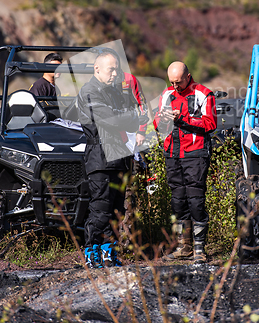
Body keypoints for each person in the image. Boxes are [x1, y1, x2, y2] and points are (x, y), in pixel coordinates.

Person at [77, 51, 140, 268]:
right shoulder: (89, 91)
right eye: (110, 69)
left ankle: (108, 253)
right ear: (97, 69)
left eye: (117, 69)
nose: (115, 73)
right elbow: (112, 120)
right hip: (100, 158)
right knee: (100, 210)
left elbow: (134, 119)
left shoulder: (114, 93)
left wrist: (128, 117)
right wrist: (126, 117)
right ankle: (91, 253)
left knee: (116, 211)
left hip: (119, 157)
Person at [154, 62, 217, 263]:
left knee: (196, 200)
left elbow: (210, 123)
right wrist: (162, 119)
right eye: (171, 82)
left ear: (188, 76)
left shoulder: (204, 94)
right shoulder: (166, 95)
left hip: (195, 153)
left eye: (178, 82)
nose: (175, 86)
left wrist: (182, 118)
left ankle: (200, 249)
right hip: (172, 152)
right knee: (178, 201)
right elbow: (157, 123)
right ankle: (184, 247)